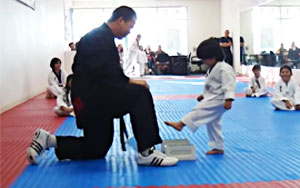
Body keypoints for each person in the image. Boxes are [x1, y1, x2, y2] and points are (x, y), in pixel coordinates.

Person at [27, 6, 178, 167]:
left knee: (96, 147)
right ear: (120, 20)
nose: (129, 31)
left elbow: (103, 74)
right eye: (130, 26)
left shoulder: (100, 36)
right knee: (140, 93)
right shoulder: (99, 38)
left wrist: (126, 81)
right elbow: (109, 75)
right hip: (90, 99)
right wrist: (133, 82)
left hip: (90, 97)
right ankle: (147, 151)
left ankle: (48, 140)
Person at [164, 38, 236, 155]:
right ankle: (218, 146)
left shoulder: (224, 68)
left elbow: (229, 84)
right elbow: (214, 86)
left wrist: (229, 99)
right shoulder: (213, 68)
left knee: (199, 110)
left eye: (205, 59)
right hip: (213, 97)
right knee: (213, 123)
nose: (204, 62)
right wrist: (204, 95)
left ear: (213, 57)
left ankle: (181, 124)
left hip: (220, 99)